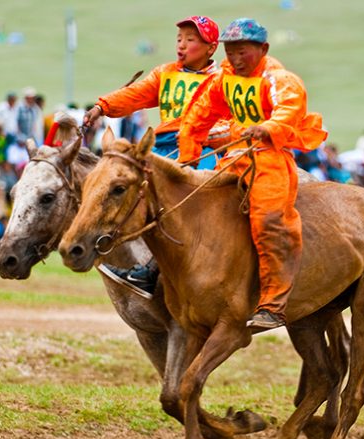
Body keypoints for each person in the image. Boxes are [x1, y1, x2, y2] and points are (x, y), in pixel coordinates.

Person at [177, 17, 327, 329]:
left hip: (269, 157)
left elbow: (290, 107)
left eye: (242, 51)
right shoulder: (224, 77)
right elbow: (199, 114)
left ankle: (273, 305)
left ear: (263, 49)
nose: (234, 58)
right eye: (230, 51)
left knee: (270, 221)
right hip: (234, 156)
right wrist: (187, 157)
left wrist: (268, 126)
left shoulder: (278, 77)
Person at [84, 15, 224, 298]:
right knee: (122, 187)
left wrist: (215, 135)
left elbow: (230, 118)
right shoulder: (166, 73)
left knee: (195, 197)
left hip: (202, 147)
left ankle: (152, 270)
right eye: (179, 39)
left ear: (211, 48)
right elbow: (135, 94)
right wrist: (102, 107)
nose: (181, 45)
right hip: (161, 146)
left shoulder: (220, 80)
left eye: (191, 40)